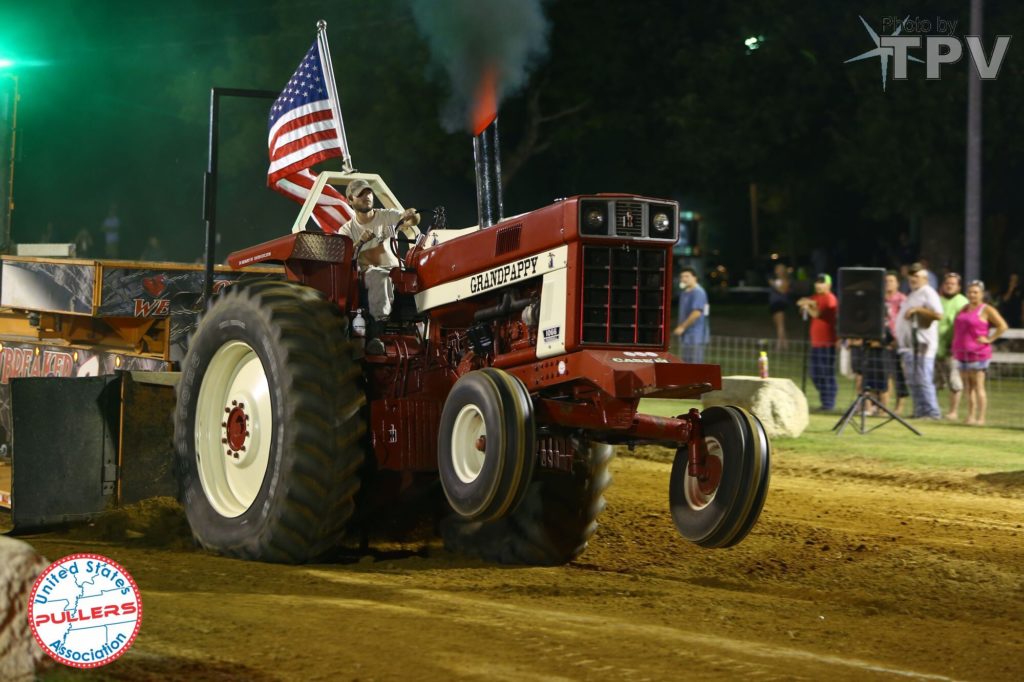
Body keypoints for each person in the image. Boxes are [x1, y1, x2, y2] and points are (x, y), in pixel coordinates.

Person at [338, 179, 420, 355]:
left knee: (419, 273)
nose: (367, 197)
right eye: (360, 194)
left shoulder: (386, 216)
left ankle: (427, 331)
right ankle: (376, 334)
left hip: (394, 270)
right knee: (379, 276)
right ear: (350, 200)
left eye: (368, 193)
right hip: (368, 275)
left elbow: (412, 220)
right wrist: (359, 242)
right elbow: (344, 257)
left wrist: (411, 215)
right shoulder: (347, 230)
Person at [952, 280, 1009, 426]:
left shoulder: (986, 309)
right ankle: (970, 416)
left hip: (978, 354)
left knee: (978, 386)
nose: (972, 295)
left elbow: (1002, 326)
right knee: (968, 387)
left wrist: (990, 339)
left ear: (982, 294)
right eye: (970, 292)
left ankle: (981, 418)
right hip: (962, 352)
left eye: (976, 292)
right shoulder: (964, 308)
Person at [894, 263, 943, 419]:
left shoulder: (928, 292)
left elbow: (938, 314)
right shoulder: (913, 293)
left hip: (922, 344)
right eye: (911, 276)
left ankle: (932, 412)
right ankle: (920, 410)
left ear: (925, 278)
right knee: (913, 380)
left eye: (916, 276)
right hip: (909, 346)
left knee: (923, 379)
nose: (913, 279)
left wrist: (917, 310)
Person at [797, 273, 838, 411]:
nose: (819, 285)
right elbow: (800, 301)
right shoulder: (816, 297)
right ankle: (826, 398)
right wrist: (810, 303)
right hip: (816, 343)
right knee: (815, 373)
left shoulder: (830, 298)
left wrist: (809, 306)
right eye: (817, 282)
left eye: (822, 282)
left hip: (827, 343)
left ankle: (828, 403)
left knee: (826, 373)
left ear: (829, 285)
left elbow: (817, 314)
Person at [936, 273, 968, 419]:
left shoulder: (962, 302)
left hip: (953, 349)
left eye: (953, 284)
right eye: (947, 283)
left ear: (958, 287)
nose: (949, 286)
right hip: (935, 347)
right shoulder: (937, 300)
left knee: (954, 382)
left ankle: (953, 412)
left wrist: (955, 343)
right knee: (933, 382)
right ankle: (933, 410)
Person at [882, 271, 908, 414]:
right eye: (886, 281)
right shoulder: (880, 300)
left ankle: (899, 407)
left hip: (898, 341)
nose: (888, 284)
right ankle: (884, 406)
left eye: (891, 281)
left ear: (897, 283)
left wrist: (898, 339)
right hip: (883, 341)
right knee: (885, 374)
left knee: (899, 375)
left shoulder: (902, 299)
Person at [672, 267, 709, 363]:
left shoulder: (698, 292)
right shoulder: (685, 293)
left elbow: (697, 312)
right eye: (682, 277)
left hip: (696, 335)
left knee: (695, 365)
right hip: (687, 336)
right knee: (686, 363)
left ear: (695, 278)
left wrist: (682, 327)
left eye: (687, 276)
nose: (684, 279)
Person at [767, 262, 790, 351]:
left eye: (778, 269)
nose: (776, 271)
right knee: (779, 326)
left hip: (780, 304)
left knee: (780, 326)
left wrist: (773, 284)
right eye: (776, 269)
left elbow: (783, 291)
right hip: (773, 304)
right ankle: (786, 345)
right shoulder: (776, 279)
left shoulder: (785, 280)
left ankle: (778, 346)